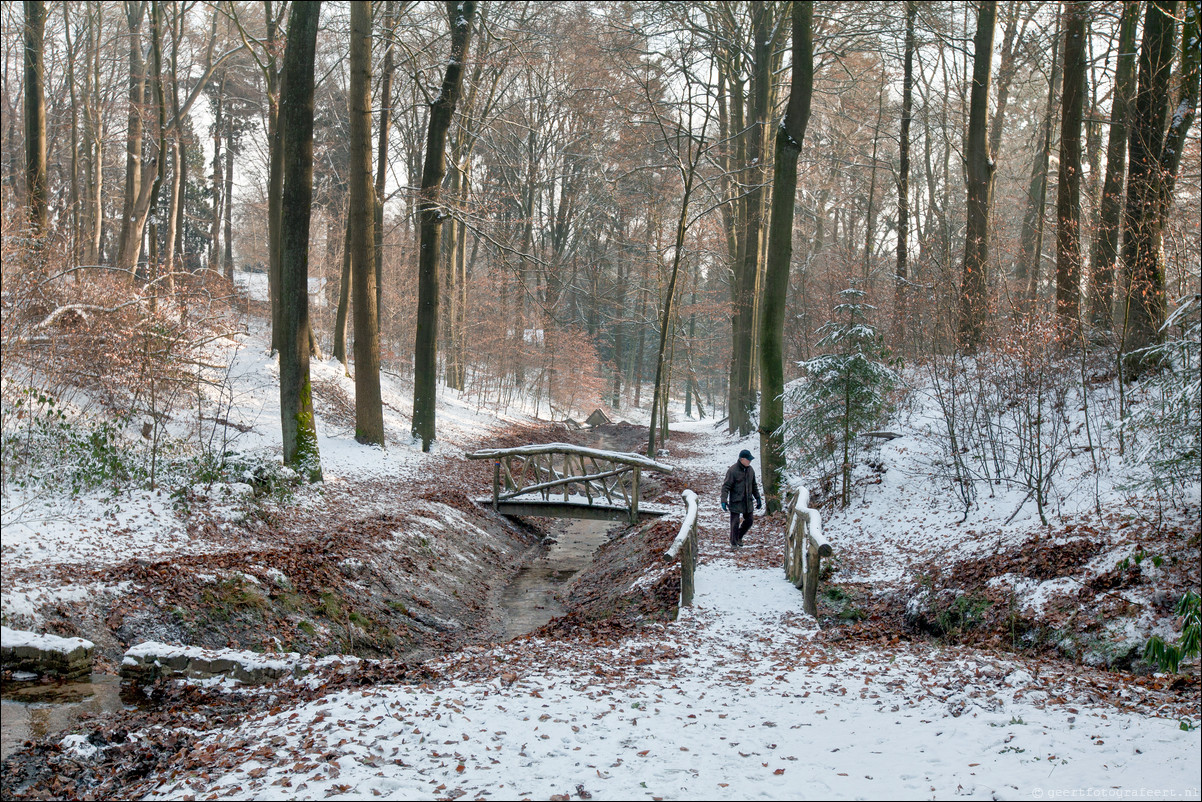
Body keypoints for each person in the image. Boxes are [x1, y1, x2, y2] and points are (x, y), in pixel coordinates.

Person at [721, 449, 761, 549]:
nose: (750, 461)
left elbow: (754, 485)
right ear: (742, 459)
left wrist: (758, 498)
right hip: (736, 501)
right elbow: (726, 487)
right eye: (748, 460)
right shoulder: (732, 470)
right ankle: (734, 543)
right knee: (735, 523)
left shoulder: (751, 470)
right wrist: (724, 500)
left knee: (750, 520)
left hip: (748, 501)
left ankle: (739, 536)